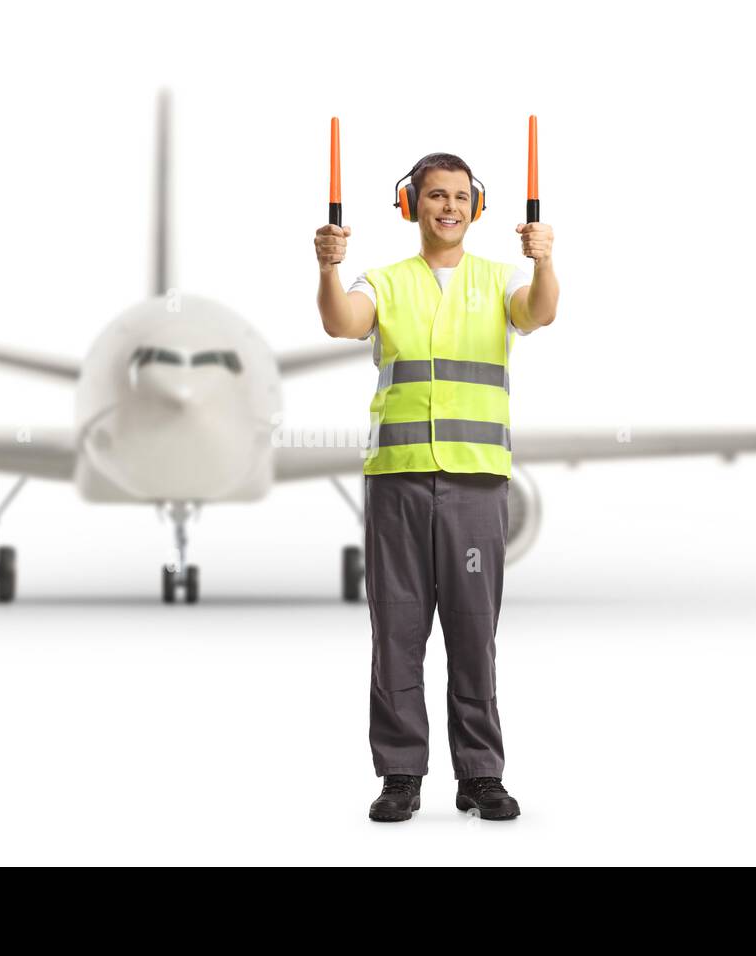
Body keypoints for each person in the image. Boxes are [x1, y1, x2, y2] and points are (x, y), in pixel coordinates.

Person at [315, 151, 559, 822]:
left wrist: (544, 260)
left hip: (476, 482)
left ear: (475, 207)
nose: (447, 206)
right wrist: (327, 266)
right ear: (410, 205)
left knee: (473, 632)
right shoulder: (384, 281)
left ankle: (480, 774)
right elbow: (341, 322)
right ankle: (400, 773)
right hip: (396, 480)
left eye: (458, 196)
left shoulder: (500, 279)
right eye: (434, 196)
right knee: (395, 630)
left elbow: (540, 312)